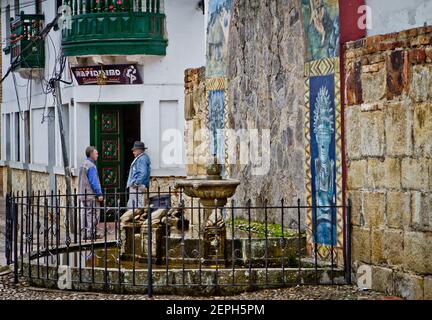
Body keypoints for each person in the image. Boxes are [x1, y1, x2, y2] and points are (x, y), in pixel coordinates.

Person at [78, 146, 103, 240]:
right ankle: (91, 233)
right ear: (91, 154)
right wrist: (99, 194)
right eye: (96, 153)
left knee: (86, 213)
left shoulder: (83, 164)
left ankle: (84, 233)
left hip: (82, 193)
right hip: (90, 194)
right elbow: (94, 182)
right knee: (94, 213)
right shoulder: (91, 166)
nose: (98, 155)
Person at [126, 141, 151, 208]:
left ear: (139, 150)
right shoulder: (141, 158)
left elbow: (143, 173)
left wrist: (136, 183)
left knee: (136, 205)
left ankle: (135, 218)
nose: (133, 152)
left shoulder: (142, 158)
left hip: (137, 186)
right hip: (136, 185)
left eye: (134, 150)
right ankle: (133, 217)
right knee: (133, 204)